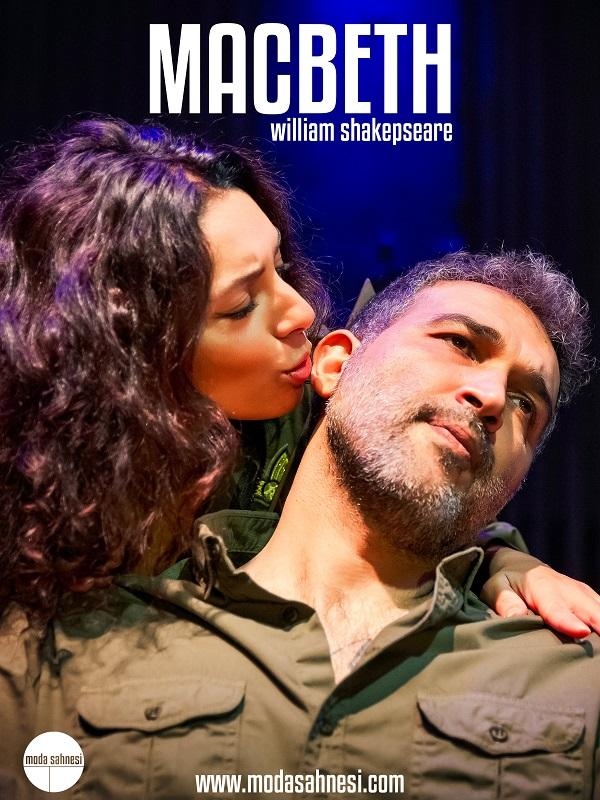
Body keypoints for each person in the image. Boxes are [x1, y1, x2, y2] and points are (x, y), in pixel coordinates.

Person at [2, 250, 599, 799]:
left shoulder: (581, 681)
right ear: (336, 364)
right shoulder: (61, 647)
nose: (492, 397)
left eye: (527, 405)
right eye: (460, 344)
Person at [1, 117, 596, 635]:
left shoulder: (312, 414)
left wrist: (506, 562)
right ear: (136, 353)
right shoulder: (30, 495)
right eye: (242, 306)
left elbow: (420, 488)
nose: (304, 314)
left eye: (281, 269)